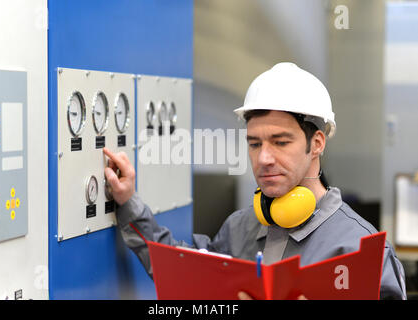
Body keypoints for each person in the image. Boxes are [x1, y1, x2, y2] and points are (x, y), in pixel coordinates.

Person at [103, 62, 406, 300]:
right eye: (255, 143)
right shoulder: (241, 228)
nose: (263, 159)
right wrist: (128, 201)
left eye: (280, 142)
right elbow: (178, 268)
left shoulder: (360, 251)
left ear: (316, 143)